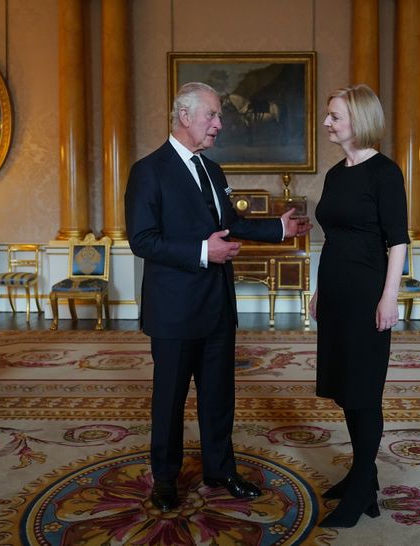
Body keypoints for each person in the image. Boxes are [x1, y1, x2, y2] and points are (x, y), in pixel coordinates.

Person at [125, 81, 311, 513]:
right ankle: (166, 481)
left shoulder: (214, 171)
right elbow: (142, 239)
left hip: (217, 308)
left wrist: (278, 229)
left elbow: (232, 223)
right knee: (169, 403)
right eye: (211, 115)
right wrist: (200, 251)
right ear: (184, 116)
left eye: (219, 116)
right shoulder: (148, 170)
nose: (219, 125)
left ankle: (220, 470)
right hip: (173, 312)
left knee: (218, 397)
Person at [309, 84, 409, 528]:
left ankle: (365, 484)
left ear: (360, 120)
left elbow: (399, 241)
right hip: (335, 292)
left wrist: (389, 296)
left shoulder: (385, 173)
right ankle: (359, 475)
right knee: (346, 388)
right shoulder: (335, 174)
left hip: (368, 294)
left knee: (364, 391)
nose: (327, 122)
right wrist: (317, 289)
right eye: (329, 115)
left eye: (335, 116)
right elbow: (332, 237)